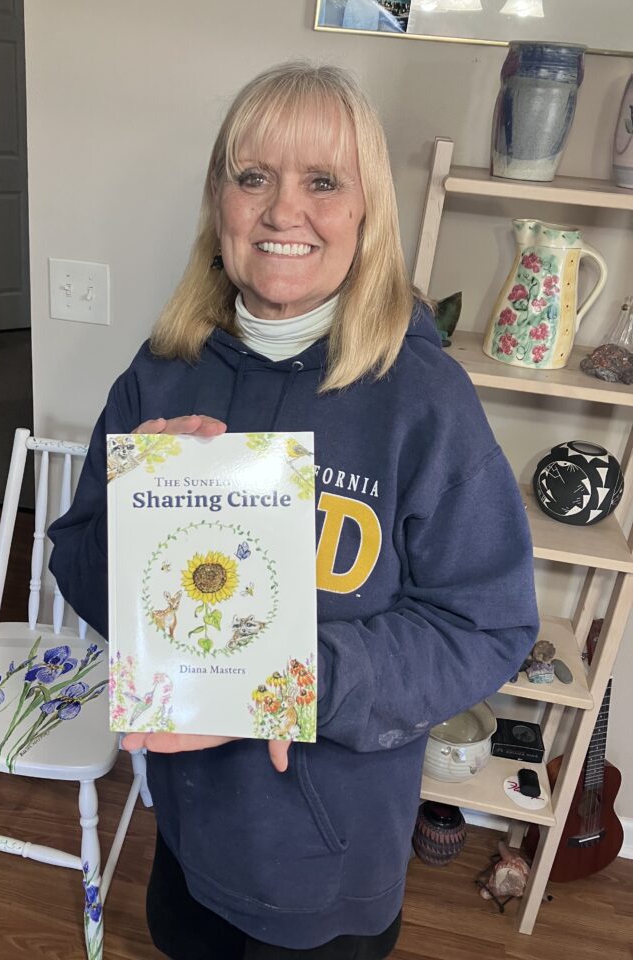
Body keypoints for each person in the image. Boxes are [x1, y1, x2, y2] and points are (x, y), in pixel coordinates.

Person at [48, 61, 539, 959]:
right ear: (219, 201)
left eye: (322, 181)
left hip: (329, 866)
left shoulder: (423, 401)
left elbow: (487, 625)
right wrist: (131, 513)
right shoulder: (161, 373)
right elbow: (76, 559)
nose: (283, 211)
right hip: (187, 836)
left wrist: (296, 678)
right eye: (254, 177)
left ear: (366, 210)